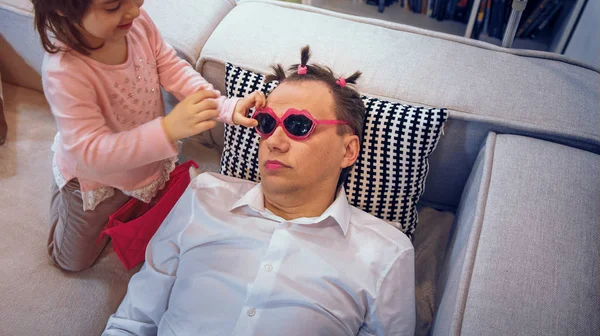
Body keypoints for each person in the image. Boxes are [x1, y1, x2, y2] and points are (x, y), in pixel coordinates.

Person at [103, 46, 416, 335]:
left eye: (297, 126)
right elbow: (134, 321)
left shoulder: (386, 254)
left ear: (347, 151)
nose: (275, 142)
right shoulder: (203, 195)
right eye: (267, 123)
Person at [14, 0, 264, 272]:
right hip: (93, 179)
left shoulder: (137, 24)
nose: (134, 9)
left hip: (146, 164)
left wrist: (225, 107)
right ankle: (61, 185)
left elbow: (172, 67)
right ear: (61, 7)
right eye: (113, 6)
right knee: (73, 262)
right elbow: (90, 152)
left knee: (148, 221)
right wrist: (168, 129)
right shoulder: (65, 71)